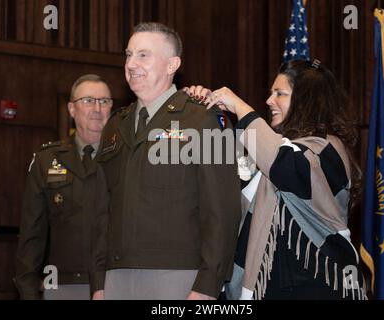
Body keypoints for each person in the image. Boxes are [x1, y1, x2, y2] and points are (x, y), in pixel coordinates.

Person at [184, 59, 367, 300]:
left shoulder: (328, 149)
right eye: (271, 93)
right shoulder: (266, 152)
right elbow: (228, 168)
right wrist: (200, 108)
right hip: (270, 286)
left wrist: (239, 106)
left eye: (280, 93)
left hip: (319, 284)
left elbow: (285, 166)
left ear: (307, 100)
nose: (269, 101)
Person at [96, 22, 241, 300]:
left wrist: (208, 286)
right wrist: (97, 282)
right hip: (115, 277)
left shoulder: (203, 118)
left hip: (178, 276)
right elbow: (101, 211)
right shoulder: (115, 125)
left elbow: (222, 209)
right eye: (128, 54)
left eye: (143, 55)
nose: (131, 63)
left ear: (172, 64)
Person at [15, 74, 112, 300]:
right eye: (88, 100)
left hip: (113, 283)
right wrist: (27, 290)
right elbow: (32, 232)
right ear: (71, 109)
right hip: (62, 283)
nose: (97, 108)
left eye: (104, 101)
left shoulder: (124, 158)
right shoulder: (47, 159)